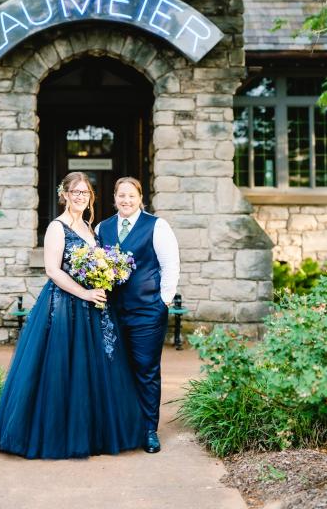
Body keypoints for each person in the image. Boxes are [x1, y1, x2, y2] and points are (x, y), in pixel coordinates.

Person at [0, 171, 145, 459]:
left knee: (93, 369)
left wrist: (104, 279)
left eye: (85, 192)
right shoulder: (57, 228)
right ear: (64, 194)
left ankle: (93, 435)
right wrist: (84, 292)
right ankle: (57, 436)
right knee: (62, 368)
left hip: (94, 308)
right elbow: (52, 270)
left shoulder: (91, 228)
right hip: (64, 306)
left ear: (90, 197)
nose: (80, 197)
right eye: (75, 192)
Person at [96, 177, 180, 454]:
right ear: (115, 198)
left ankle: (148, 430)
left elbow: (170, 265)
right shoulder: (103, 227)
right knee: (115, 371)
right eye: (121, 195)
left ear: (140, 197)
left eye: (131, 196)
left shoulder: (157, 226)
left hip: (147, 312)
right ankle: (122, 428)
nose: (126, 200)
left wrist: (163, 302)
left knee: (145, 370)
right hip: (112, 313)